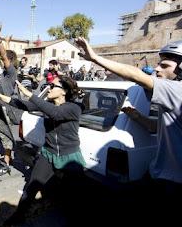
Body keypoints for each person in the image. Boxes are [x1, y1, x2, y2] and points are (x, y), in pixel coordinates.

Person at [75, 37, 182, 221]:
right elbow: (159, 127)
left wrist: (95, 58)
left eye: (164, 66)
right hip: (158, 174)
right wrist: (137, 116)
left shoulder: (177, 90)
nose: (157, 68)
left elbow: (136, 75)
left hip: (173, 183)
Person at [0, 76, 84, 224]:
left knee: (73, 194)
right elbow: (25, 106)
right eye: (48, 85)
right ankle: (18, 217)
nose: (48, 88)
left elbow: (56, 113)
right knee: (32, 187)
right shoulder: (49, 104)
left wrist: (30, 94)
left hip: (69, 156)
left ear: (64, 91)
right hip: (48, 153)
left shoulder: (74, 108)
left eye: (52, 86)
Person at [0, 25, 21, 177]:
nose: (1, 60)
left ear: (8, 61)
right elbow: (8, 55)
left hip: (8, 109)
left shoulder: (10, 72)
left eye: (4, 59)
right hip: (4, 107)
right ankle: (8, 158)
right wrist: (7, 42)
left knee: (5, 136)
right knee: (3, 135)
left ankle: (6, 164)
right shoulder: (8, 71)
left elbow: (5, 56)